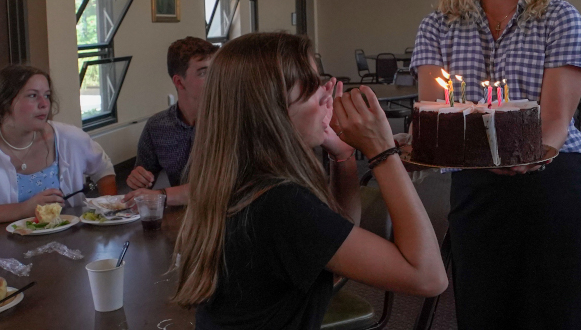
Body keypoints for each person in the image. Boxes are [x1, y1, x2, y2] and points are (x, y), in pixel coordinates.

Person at [409, 0, 581, 328]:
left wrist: (528, 155)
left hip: (553, 186)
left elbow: (556, 122)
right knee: (488, 312)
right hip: (478, 192)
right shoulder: (436, 27)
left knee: (569, 315)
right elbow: (436, 112)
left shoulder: (560, 18)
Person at [172, 33, 447, 329]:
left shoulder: (244, 181)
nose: (328, 97)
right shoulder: (280, 204)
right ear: (274, 112)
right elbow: (428, 277)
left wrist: (343, 158)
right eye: (314, 89)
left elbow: (334, 238)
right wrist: (382, 152)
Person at [0, 65, 116, 225]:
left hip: (70, 244)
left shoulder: (69, 138)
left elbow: (103, 169)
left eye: (46, 95)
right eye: (33, 95)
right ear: (4, 102)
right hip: (3, 246)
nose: (44, 104)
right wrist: (23, 209)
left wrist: (108, 214)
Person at [123, 37, 218, 207]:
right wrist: (139, 179)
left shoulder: (232, 121)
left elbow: (222, 186)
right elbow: (143, 180)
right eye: (203, 73)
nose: (214, 79)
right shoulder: (158, 126)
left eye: (215, 71)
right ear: (179, 82)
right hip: (181, 220)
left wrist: (163, 196)